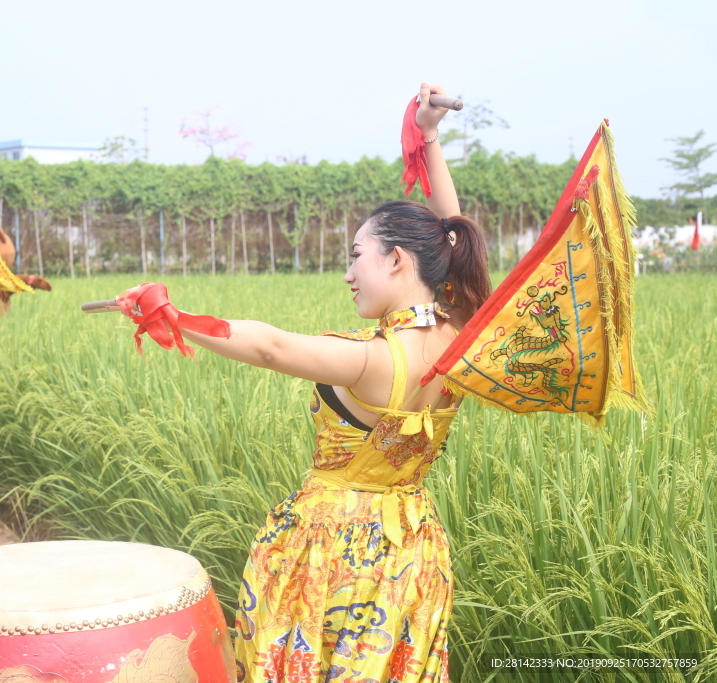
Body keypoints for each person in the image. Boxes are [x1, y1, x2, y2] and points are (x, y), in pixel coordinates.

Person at [124, 83, 491, 682]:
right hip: (412, 552)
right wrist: (428, 139)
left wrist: (171, 314)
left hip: (331, 551)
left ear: (397, 259)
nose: (348, 274)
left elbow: (270, 346)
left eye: (357, 257)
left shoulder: (376, 359)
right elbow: (453, 233)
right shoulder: (460, 335)